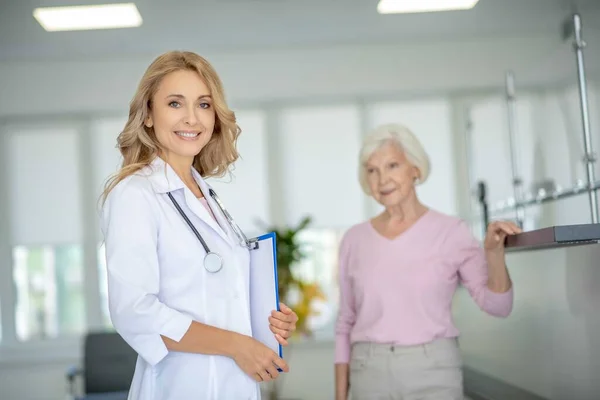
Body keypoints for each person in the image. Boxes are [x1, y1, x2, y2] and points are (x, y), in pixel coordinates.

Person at [100, 50, 298, 400]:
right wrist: (236, 345)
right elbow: (133, 311)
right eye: (175, 104)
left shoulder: (206, 196)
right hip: (180, 385)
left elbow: (219, 296)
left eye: (204, 105)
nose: (192, 118)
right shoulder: (135, 193)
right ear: (148, 114)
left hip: (234, 385)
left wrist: (268, 323)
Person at [334, 123, 521, 400]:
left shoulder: (451, 232)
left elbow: (499, 306)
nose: (382, 178)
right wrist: (340, 396)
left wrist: (493, 253)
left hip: (433, 370)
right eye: (372, 170)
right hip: (368, 371)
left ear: (416, 169)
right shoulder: (354, 239)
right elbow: (345, 322)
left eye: (393, 165)